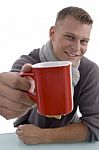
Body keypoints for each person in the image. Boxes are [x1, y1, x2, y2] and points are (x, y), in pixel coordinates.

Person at [0, 6, 99, 144]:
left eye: (84, 41)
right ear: (52, 33)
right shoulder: (29, 65)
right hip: (25, 135)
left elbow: (95, 125)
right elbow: (11, 91)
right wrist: (9, 97)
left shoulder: (90, 70)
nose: (76, 48)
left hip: (70, 141)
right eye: (70, 37)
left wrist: (44, 136)